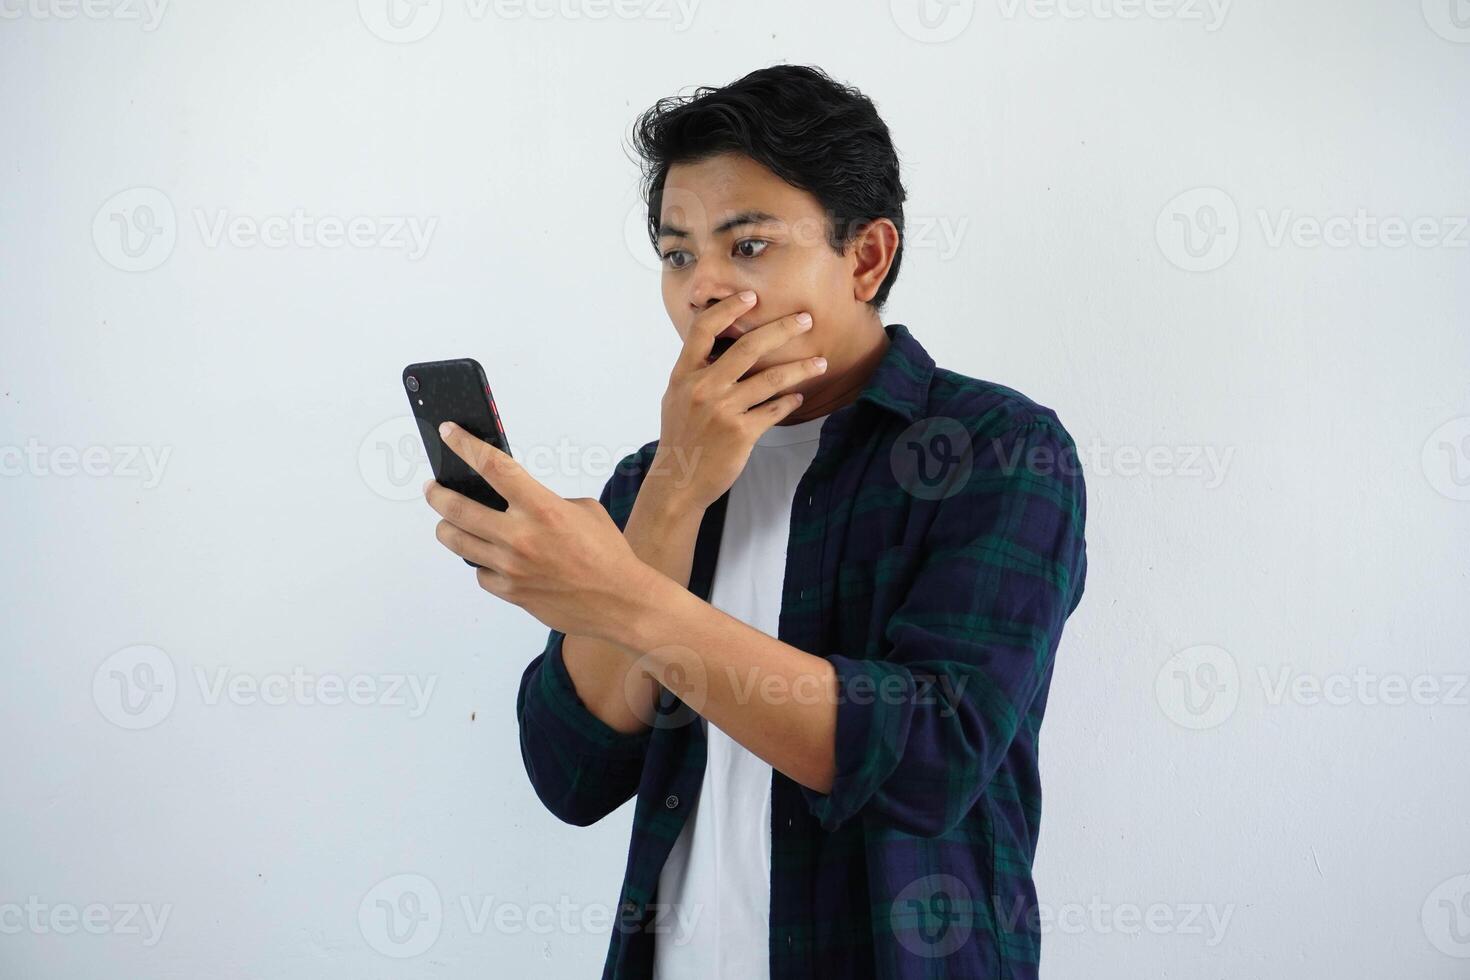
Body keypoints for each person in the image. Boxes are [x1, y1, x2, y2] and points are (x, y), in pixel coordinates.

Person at [422, 63, 1088, 980]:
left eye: (748, 246)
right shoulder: (648, 481)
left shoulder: (997, 449)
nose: (701, 288)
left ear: (865, 259)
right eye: (677, 253)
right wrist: (675, 490)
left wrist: (620, 595)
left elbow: (935, 758)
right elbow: (571, 776)